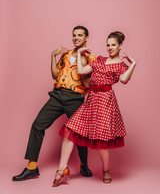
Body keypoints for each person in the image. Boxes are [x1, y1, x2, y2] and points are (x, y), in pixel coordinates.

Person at [52, 31, 136, 187]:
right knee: (70, 130)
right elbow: (81, 71)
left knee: (101, 140)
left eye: (113, 45)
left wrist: (134, 64)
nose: (110, 48)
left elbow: (124, 80)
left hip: (105, 102)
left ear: (119, 46)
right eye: (108, 45)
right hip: (91, 99)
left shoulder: (120, 65)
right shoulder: (100, 60)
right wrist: (79, 54)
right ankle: (61, 169)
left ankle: (106, 170)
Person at [12, 26, 96, 181]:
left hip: (75, 98)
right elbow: (54, 75)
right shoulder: (65, 54)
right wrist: (52, 56)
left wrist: (83, 63)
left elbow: (88, 83)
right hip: (57, 95)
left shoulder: (90, 57)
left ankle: (84, 164)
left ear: (86, 38)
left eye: (80, 35)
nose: (76, 38)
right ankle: (32, 167)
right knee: (38, 125)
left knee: (79, 133)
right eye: (74, 35)